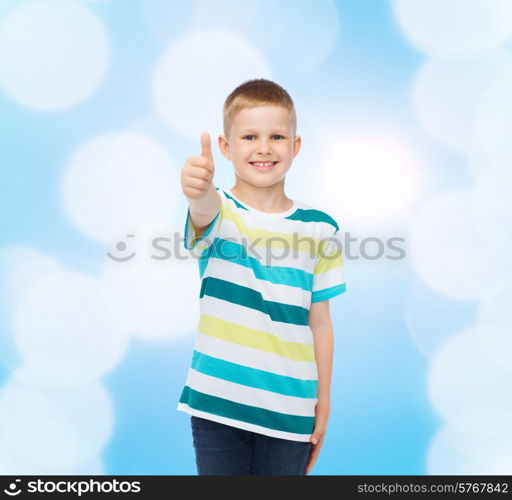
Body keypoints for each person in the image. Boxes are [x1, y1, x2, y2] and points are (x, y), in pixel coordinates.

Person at [178, 78, 346, 475]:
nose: (264, 148)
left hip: (291, 409)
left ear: (295, 146)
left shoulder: (321, 228)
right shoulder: (220, 212)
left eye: (277, 136)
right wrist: (196, 190)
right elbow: (203, 208)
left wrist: (323, 400)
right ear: (225, 147)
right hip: (218, 404)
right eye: (250, 136)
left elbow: (320, 323)